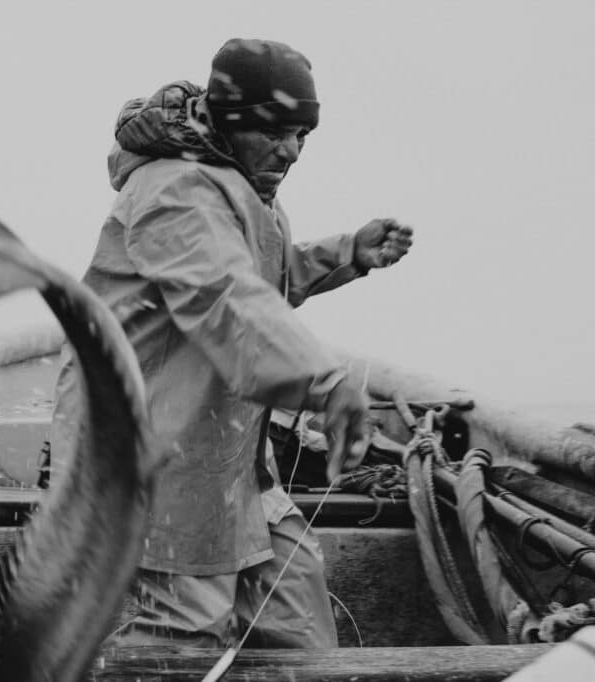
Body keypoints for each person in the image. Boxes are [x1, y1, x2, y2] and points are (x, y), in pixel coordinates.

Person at [50, 37, 413, 649]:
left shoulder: (244, 184)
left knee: (294, 612)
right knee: (180, 635)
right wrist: (323, 380)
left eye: (303, 135)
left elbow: (262, 280)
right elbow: (223, 298)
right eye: (276, 132)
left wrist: (347, 253)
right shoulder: (176, 190)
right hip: (148, 454)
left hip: (227, 459)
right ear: (232, 120)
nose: (292, 150)